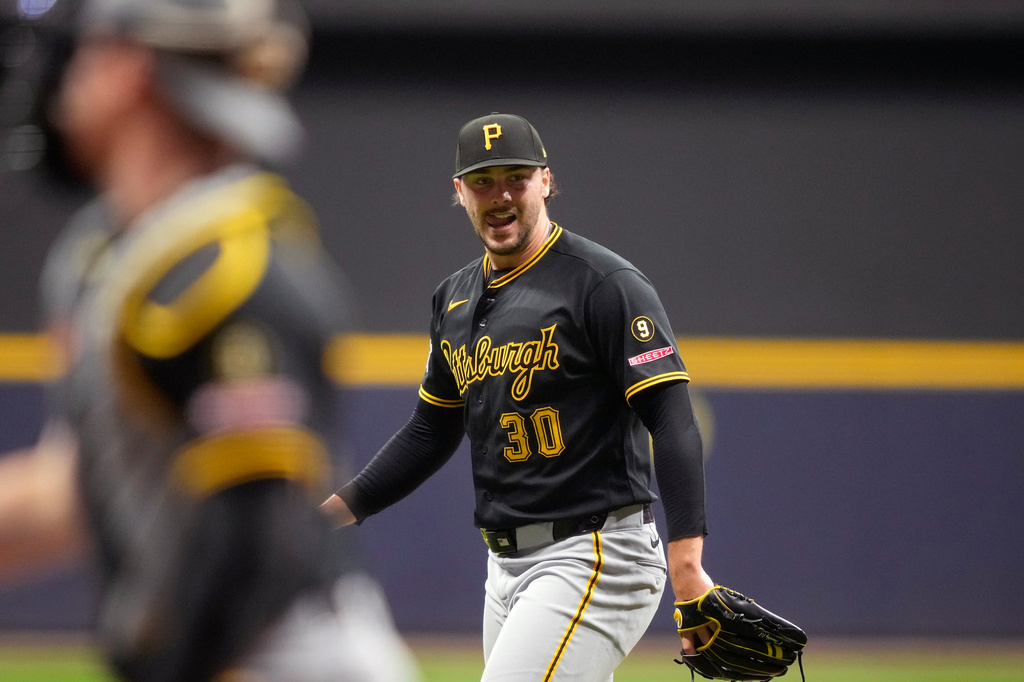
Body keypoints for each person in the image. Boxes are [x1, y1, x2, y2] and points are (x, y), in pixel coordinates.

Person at [0, 0, 420, 680]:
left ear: (129, 68)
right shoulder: (107, 253)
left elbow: (261, 547)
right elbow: (74, 485)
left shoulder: (229, 268)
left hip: (280, 659)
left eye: (85, 54)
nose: (66, 76)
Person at [321, 112, 715, 680]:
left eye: (517, 177)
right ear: (459, 192)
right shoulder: (454, 298)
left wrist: (687, 564)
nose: (500, 194)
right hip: (504, 565)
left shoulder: (603, 284)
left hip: (594, 554)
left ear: (546, 182)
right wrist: (328, 517)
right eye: (483, 180)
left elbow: (672, 419)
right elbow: (431, 430)